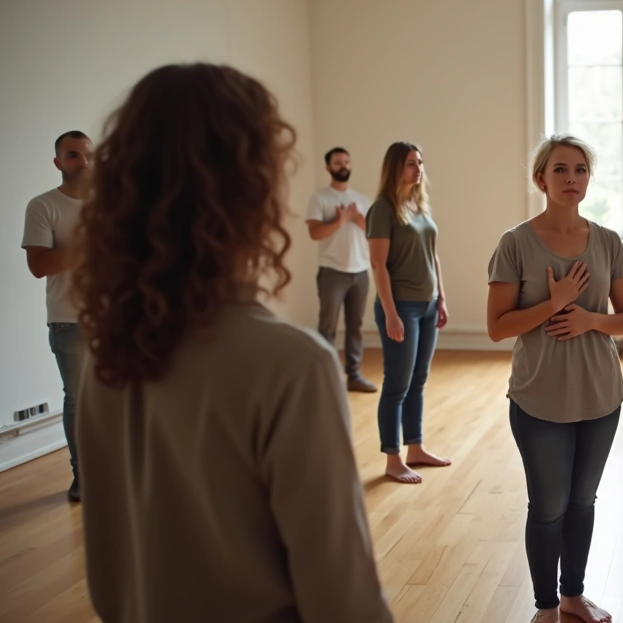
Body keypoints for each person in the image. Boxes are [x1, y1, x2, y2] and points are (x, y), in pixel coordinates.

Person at [71, 63, 392, 622]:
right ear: (253, 188)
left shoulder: (106, 359)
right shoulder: (293, 367)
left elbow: (108, 582)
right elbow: (346, 606)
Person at [486, 134, 623, 623]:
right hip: (539, 397)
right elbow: (496, 328)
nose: (572, 178)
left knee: (582, 502)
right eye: (560, 170)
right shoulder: (515, 243)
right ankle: (546, 607)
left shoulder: (608, 241)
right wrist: (553, 304)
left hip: (600, 394)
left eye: (580, 170)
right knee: (549, 507)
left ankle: (573, 596)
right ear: (541, 179)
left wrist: (589, 319)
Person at [367, 141, 451, 484]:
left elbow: (433, 256)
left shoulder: (418, 205)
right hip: (401, 306)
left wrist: (441, 298)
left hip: (428, 305)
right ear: (395, 168)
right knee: (397, 384)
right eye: (410, 163)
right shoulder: (382, 209)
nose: (418, 169)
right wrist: (390, 313)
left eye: (420, 162)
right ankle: (393, 459)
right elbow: (378, 264)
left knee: (418, 381)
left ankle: (415, 448)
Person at [21, 129, 93, 502]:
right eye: (73, 155)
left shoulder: (114, 205)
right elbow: (39, 265)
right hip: (70, 322)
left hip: (118, 319)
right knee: (79, 401)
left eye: (88, 155)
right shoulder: (43, 206)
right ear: (58, 162)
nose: (84, 162)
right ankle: (84, 477)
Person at [306, 146, 377, 393]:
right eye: (338, 162)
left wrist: (356, 217)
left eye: (346, 162)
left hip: (360, 271)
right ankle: (325, 378)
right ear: (328, 167)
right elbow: (315, 233)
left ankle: (354, 375)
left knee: (355, 326)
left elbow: (373, 231)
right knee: (327, 327)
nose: (343, 166)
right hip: (332, 271)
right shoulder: (320, 198)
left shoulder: (362, 200)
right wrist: (340, 220)